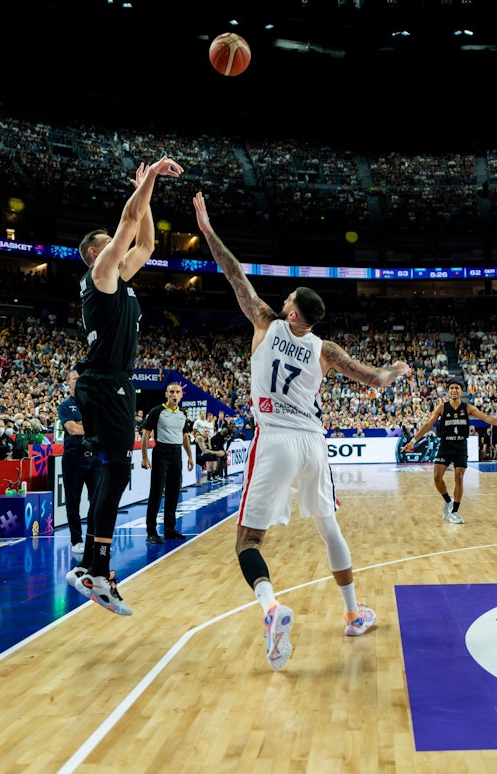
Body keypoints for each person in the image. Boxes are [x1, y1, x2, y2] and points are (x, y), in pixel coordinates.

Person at [194, 191, 412, 670]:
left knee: (248, 542)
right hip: (314, 443)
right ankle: (354, 613)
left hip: (274, 438)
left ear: (292, 314)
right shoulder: (325, 349)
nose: (281, 300)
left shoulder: (265, 323)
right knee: (328, 525)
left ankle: (271, 608)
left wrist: (208, 231)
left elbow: (234, 274)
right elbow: (373, 380)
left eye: (287, 299)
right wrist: (396, 369)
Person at [66, 155, 184, 616]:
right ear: (98, 252)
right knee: (116, 469)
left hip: (109, 383)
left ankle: (93, 565)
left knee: (114, 469)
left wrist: (146, 193)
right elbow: (130, 221)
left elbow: (148, 241)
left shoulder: (118, 277)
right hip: (106, 382)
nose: (122, 243)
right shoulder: (100, 273)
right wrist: (150, 177)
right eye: (112, 242)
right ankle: (98, 568)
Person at [403, 379, 497, 524]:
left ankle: (455, 512)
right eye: (452, 388)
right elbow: (429, 424)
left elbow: (486, 418)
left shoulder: (467, 408)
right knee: (437, 477)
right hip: (445, 445)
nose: (454, 390)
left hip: (460, 445)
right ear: (448, 392)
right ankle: (448, 501)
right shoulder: (442, 408)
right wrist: (413, 442)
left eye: (457, 388)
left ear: (461, 392)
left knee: (459, 477)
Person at [140, 382, 193, 544]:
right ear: (166, 394)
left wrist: (190, 456)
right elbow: (145, 434)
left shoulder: (183, 413)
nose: (174, 395)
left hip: (176, 453)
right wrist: (144, 456)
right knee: (156, 492)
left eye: (177, 392)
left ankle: (170, 529)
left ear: (181, 395)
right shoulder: (157, 412)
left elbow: (184, 437)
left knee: (173, 492)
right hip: (161, 452)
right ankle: (151, 531)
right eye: (171, 392)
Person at [58, 370, 101, 555]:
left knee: (97, 500)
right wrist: (91, 426)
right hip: (74, 458)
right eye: (75, 378)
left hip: (95, 458)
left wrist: (85, 425)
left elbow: (102, 426)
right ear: (68, 383)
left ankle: (95, 539)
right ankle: (76, 540)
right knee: (73, 501)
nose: (79, 381)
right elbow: (73, 429)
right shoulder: (65, 406)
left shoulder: (93, 403)